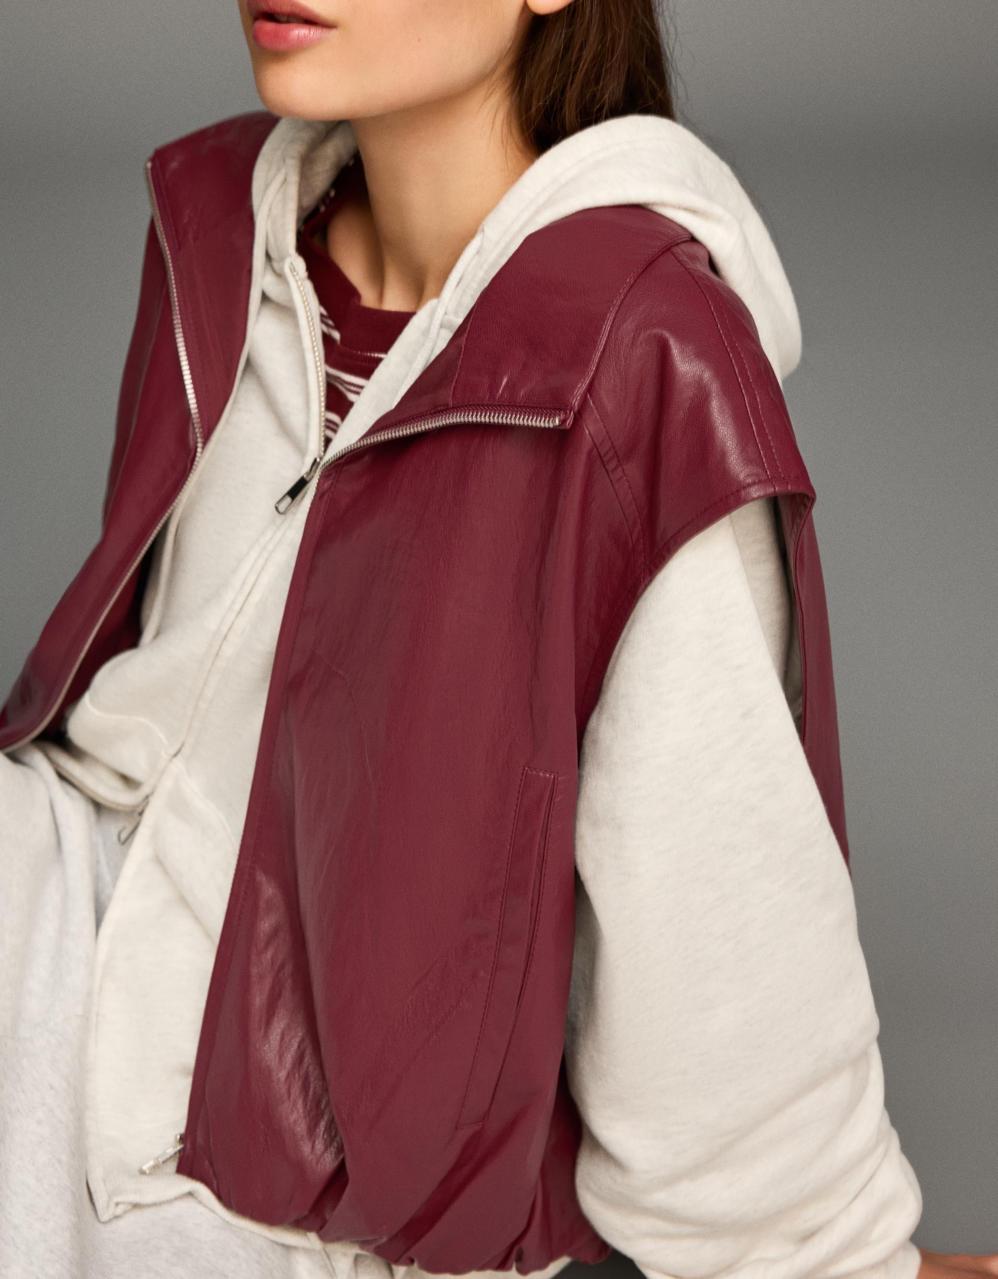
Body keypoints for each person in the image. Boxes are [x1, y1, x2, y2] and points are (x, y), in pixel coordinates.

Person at [1, 1, 994, 1277]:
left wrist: (833, 1251)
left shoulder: (641, 377)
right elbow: (151, 723)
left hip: (278, 1168)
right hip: (63, 912)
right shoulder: (222, 228)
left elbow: (717, 945)